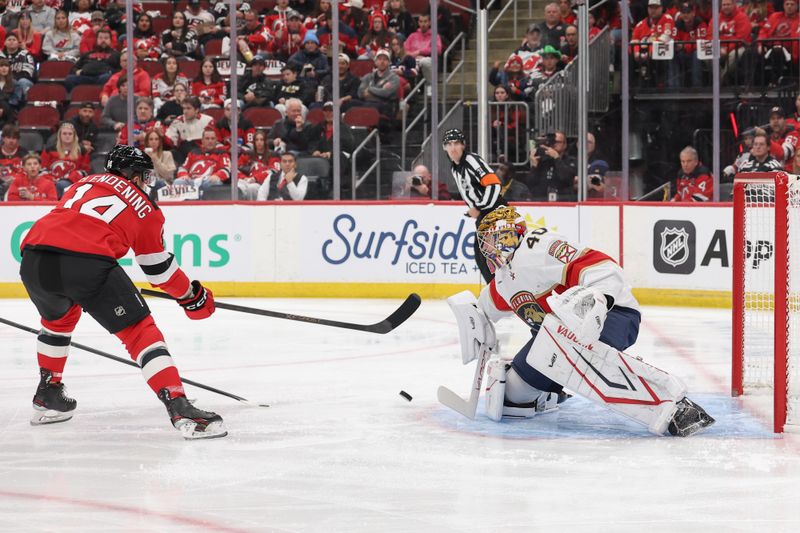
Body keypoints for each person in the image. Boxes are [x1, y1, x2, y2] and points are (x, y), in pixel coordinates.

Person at [449, 204, 714, 436]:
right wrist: (474, 324)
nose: (488, 249)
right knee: (512, 397)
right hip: (555, 343)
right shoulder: (504, 280)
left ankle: (673, 407)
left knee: (572, 353)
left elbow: (603, 268)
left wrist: (596, 304)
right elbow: (485, 308)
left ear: (509, 233)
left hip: (615, 316)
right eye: (485, 243)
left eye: (492, 239)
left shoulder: (538, 246)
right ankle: (551, 392)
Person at [19, 145, 224, 439]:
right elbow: (158, 271)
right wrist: (191, 295)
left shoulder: (83, 182)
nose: (145, 182)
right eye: (143, 176)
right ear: (134, 175)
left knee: (58, 321)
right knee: (140, 331)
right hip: (86, 262)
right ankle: (179, 405)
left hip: (34, 257)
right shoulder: (145, 205)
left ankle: (48, 392)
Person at [442, 128, 506, 283]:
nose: (453, 148)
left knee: (489, 256)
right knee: (482, 256)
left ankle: (499, 292)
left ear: (463, 145)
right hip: (484, 215)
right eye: (449, 144)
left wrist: (478, 207)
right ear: (444, 147)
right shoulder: (455, 168)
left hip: (494, 212)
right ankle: (495, 292)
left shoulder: (472, 160)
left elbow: (494, 185)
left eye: (456, 143)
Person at [173, 127, 231, 197]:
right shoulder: (193, 153)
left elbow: (227, 169)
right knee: (178, 182)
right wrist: (184, 175)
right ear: (202, 141)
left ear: (216, 141)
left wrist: (217, 176)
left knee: (214, 183)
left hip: (209, 181)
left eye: (212, 139)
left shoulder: (222, 154)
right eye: (207, 138)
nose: (210, 141)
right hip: (192, 181)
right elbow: (183, 168)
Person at [41, 121, 91, 198]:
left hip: (73, 183)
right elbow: (43, 170)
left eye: (70, 134)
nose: (67, 136)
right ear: (59, 135)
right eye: (64, 134)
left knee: (62, 184)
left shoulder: (82, 151)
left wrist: (69, 178)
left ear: (74, 136)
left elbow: (85, 172)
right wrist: (53, 179)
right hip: (52, 182)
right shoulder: (49, 150)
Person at [525, 130, 577, 201]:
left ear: (565, 145)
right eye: (553, 141)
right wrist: (534, 166)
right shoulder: (542, 160)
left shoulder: (571, 161)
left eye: (558, 142)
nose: (554, 144)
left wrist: (557, 158)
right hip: (541, 202)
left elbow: (566, 178)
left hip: (563, 202)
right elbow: (530, 183)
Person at [356, 48, 400, 118]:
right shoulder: (368, 76)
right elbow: (360, 93)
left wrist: (369, 89)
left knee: (369, 106)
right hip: (369, 103)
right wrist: (379, 92)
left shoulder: (394, 78)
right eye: (379, 59)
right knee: (351, 104)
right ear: (375, 62)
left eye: (385, 59)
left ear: (389, 62)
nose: (382, 62)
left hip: (386, 106)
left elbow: (386, 94)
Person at [403, 12, 441, 83]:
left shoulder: (435, 36)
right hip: (413, 60)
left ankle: (430, 85)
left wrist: (420, 52)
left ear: (429, 23)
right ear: (418, 23)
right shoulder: (412, 36)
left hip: (428, 60)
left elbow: (438, 50)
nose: (423, 24)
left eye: (425, 21)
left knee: (425, 61)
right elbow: (404, 49)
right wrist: (413, 55)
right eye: (421, 21)